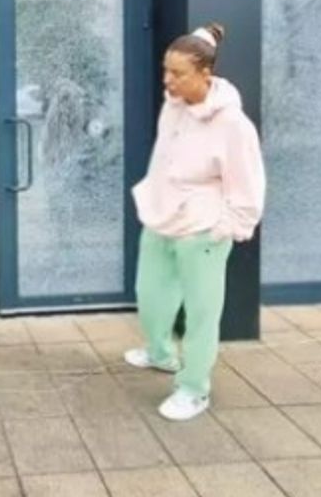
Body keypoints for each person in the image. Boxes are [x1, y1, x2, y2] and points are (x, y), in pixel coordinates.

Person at [124, 22, 266, 421]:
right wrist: (208, 34)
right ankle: (159, 353)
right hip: (162, 218)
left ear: (206, 74)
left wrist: (225, 230)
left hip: (203, 230)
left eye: (177, 73)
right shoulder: (176, 102)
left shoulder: (233, 125)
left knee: (201, 314)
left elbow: (249, 187)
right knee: (150, 295)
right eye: (165, 70)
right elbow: (202, 42)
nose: (167, 80)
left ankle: (193, 389)